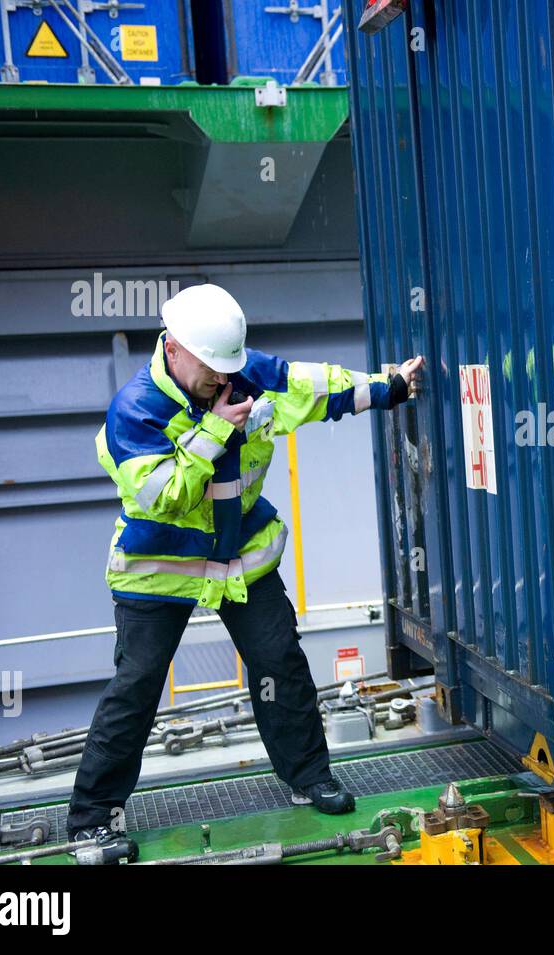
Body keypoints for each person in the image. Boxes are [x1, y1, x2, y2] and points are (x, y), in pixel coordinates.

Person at [66, 283, 423, 846]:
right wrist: (216, 431)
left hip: (241, 560)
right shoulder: (134, 413)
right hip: (160, 569)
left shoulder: (239, 375)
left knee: (279, 659)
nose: (222, 379)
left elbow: (311, 388)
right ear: (174, 348)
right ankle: (92, 817)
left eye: (227, 367)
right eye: (211, 367)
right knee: (137, 685)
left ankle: (309, 778)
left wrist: (387, 388)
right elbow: (165, 499)